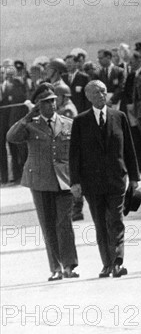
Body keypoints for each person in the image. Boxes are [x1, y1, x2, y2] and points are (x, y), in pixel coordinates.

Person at [7, 83, 79, 281]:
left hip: (63, 181)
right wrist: (29, 115)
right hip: (39, 181)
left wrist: (78, 180)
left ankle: (69, 266)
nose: (52, 105)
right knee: (48, 225)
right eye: (46, 102)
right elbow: (11, 137)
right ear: (39, 105)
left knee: (64, 224)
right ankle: (55, 268)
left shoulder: (67, 123)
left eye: (53, 100)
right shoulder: (30, 124)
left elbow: (76, 154)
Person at [69, 80, 140, 278]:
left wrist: (134, 177)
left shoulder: (119, 117)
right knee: (100, 222)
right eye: (97, 92)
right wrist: (75, 182)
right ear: (88, 97)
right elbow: (74, 154)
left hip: (116, 179)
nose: (101, 95)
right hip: (91, 182)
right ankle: (107, 263)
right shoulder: (80, 121)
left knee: (116, 220)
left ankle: (117, 261)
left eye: (104, 91)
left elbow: (129, 149)